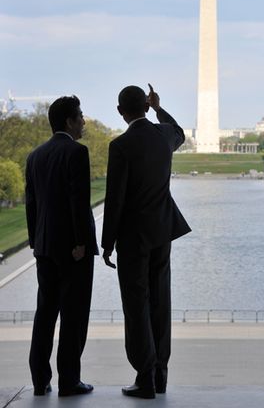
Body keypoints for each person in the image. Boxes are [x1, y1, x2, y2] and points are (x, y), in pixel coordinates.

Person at [102, 84, 191, 399]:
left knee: (136, 305)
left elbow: (115, 199)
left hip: (132, 237)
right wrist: (158, 108)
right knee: (160, 302)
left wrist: (107, 242)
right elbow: (179, 131)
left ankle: (145, 376)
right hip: (162, 232)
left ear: (120, 111)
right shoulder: (163, 136)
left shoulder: (121, 146)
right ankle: (160, 374)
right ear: (145, 105)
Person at [25, 95, 98, 397]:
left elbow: (32, 204)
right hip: (72, 249)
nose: (83, 120)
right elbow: (78, 203)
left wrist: (35, 241)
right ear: (69, 121)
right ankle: (69, 380)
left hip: (44, 247)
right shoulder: (76, 153)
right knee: (74, 315)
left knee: (45, 313)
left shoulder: (35, 156)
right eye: (80, 115)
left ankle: (40, 380)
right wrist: (81, 242)